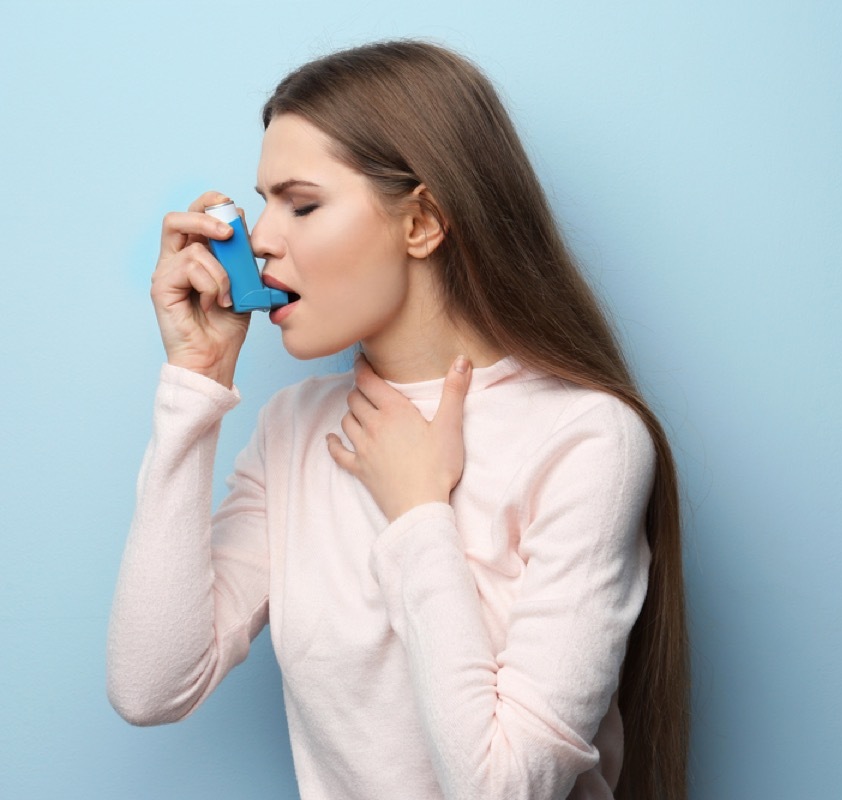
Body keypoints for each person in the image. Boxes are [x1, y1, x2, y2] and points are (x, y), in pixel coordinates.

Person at [106, 40, 689, 800]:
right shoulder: (294, 429)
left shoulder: (588, 440)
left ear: (421, 224)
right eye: (263, 203)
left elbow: (503, 789)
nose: (262, 237)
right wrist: (196, 382)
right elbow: (151, 686)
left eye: (302, 203)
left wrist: (418, 514)